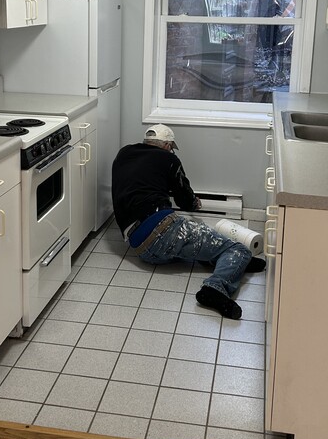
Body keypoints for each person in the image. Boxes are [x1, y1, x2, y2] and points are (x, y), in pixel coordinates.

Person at [111, 124, 265, 319]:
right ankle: (214, 288)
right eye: (171, 147)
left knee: (202, 238)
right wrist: (193, 203)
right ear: (167, 145)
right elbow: (183, 196)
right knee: (238, 250)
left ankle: (227, 260)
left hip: (137, 243)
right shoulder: (168, 158)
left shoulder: (124, 153)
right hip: (161, 234)